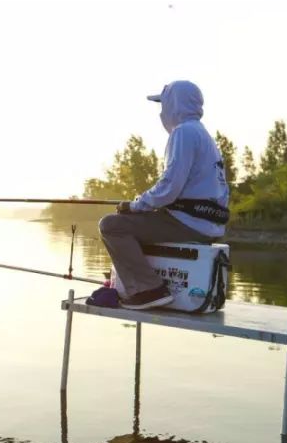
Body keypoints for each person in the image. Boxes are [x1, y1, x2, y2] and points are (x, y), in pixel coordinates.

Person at [98, 80, 230, 309]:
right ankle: (138, 283)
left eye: (163, 105)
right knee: (128, 222)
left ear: (174, 105)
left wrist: (136, 205)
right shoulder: (203, 135)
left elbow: (169, 186)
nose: (161, 112)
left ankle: (148, 290)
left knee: (112, 225)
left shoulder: (184, 133)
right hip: (205, 225)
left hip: (189, 224)